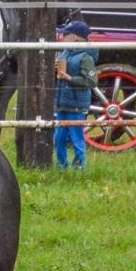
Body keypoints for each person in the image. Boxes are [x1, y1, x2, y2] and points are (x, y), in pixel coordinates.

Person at [53, 19, 98, 169]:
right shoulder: (66, 53)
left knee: (76, 137)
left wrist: (70, 79)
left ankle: (79, 166)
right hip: (63, 103)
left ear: (74, 37)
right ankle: (62, 165)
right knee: (59, 137)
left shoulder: (86, 57)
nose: (62, 37)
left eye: (65, 35)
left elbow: (91, 81)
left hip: (77, 104)